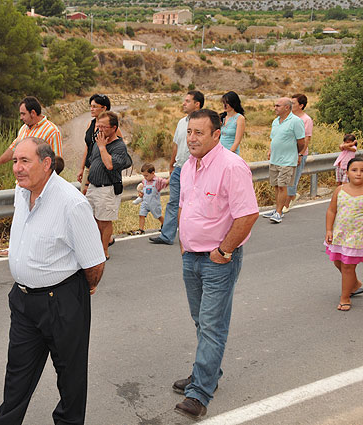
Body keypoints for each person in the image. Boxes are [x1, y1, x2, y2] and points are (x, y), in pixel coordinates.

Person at [0, 137, 106, 425]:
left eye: (24, 161)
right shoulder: (22, 192)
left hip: (62, 302)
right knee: (17, 376)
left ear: (46, 164)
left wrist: (81, 290)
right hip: (23, 301)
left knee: (70, 376)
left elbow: (94, 263)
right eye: (15, 161)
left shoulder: (71, 203)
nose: (17, 168)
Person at [173, 109, 259, 419]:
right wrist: (184, 242)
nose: (192, 138)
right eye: (189, 132)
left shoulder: (232, 167)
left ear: (215, 135)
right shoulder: (187, 167)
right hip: (191, 256)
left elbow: (248, 214)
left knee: (211, 325)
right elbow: (184, 206)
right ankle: (206, 373)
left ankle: (199, 393)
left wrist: (223, 251)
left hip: (218, 260)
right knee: (201, 321)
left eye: (198, 132)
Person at [0, 96, 62, 257]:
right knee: (21, 215)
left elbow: (57, 160)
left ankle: (38, 249)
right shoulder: (23, 129)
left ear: (33, 113)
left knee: (40, 217)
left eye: (23, 114)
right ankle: (15, 247)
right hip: (21, 184)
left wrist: (48, 185)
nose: (20, 117)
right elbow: (13, 148)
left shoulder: (51, 131)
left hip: (41, 186)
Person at [150, 90, 204, 245]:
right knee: (174, 202)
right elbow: (176, 144)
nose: (183, 103)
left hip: (195, 169)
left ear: (197, 104)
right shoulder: (181, 122)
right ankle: (167, 236)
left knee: (196, 203)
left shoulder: (203, 123)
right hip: (179, 168)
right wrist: (171, 165)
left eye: (187, 101)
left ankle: (196, 235)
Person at [85, 111, 132, 260]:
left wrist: (102, 147)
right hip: (93, 187)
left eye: (104, 127)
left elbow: (110, 165)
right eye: (99, 126)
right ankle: (95, 248)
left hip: (107, 188)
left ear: (114, 128)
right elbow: (92, 162)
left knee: (104, 221)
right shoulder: (98, 141)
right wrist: (87, 183)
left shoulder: (119, 146)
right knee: (92, 220)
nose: (100, 129)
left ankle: (104, 250)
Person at [325, 157, 363, 312]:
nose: (359, 174)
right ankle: (355, 284)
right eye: (354, 170)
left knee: (348, 266)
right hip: (340, 235)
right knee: (338, 262)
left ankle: (345, 297)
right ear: (347, 172)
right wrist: (329, 229)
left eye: (362, 171)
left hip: (357, 237)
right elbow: (332, 210)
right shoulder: (340, 190)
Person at [263, 97, 305, 224]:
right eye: (275, 105)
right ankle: (277, 209)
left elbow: (301, 141)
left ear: (287, 107)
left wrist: (296, 154)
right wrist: (271, 150)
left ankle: (279, 212)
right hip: (275, 159)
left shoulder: (296, 121)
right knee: (276, 186)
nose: (275, 108)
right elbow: (273, 138)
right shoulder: (275, 121)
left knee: (282, 186)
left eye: (278, 106)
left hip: (287, 160)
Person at [77, 94, 122, 195]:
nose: (91, 109)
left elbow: (119, 148)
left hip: (102, 172)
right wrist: (82, 168)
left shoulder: (113, 129)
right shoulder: (90, 124)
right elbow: (87, 147)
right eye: (91, 106)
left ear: (104, 108)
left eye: (94, 106)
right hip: (88, 168)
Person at [283, 93, 314, 213]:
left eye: (293, 103)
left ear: (301, 105)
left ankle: (288, 202)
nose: (291, 105)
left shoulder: (306, 120)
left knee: (293, 179)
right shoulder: (288, 117)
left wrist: (300, 154)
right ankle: (287, 200)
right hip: (286, 153)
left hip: (298, 154)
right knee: (285, 179)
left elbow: (306, 139)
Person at [131, 163, 168, 235]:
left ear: (153, 173)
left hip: (154, 203)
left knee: (158, 216)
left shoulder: (158, 181)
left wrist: (172, 176)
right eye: (143, 176)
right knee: (141, 214)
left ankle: (165, 225)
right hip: (145, 202)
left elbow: (166, 182)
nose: (145, 177)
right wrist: (141, 193)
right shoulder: (144, 181)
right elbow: (144, 190)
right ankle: (141, 229)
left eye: (146, 175)